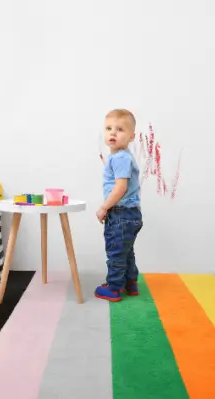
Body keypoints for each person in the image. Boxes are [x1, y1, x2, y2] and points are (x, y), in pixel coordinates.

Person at [95, 109, 143, 302]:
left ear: (131, 136)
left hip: (121, 214)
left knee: (115, 251)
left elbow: (120, 188)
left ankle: (114, 287)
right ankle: (130, 282)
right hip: (129, 214)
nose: (113, 133)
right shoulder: (120, 156)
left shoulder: (121, 157)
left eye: (120, 129)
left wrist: (104, 207)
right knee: (126, 250)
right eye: (109, 128)